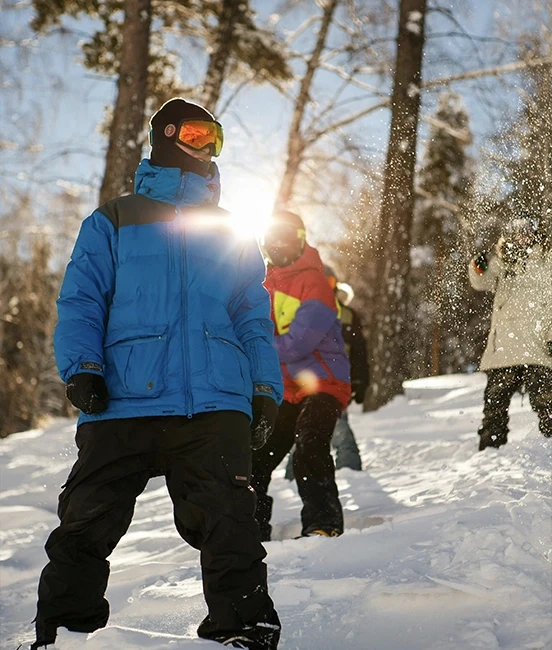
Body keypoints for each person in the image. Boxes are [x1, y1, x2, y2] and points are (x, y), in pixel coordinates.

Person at [30, 98, 284, 650]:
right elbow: (81, 301)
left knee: (230, 524)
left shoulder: (233, 230)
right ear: (166, 136)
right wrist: (83, 367)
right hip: (123, 398)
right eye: (197, 133)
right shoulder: (113, 219)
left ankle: (242, 630)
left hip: (214, 400)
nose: (208, 146)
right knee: (85, 522)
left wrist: (264, 386)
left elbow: (251, 313)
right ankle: (67, 633)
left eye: (215, 137)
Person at [251, 210, 351, 541]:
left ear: (299, 240)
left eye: (285, 238)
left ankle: (323, 523)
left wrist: (256, 349)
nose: (277, 245)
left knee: (310, 443)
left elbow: (299, 342)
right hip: (286, 389)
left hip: (323, 382)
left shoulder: (316, 282)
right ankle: (250, 527)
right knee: (256, 453)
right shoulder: (261, 284)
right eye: (271, 238)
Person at [469, 215, 552, 451]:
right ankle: (489, 454)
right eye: (517, 231)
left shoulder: (547, 260)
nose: (523, 235)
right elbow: (481, 281)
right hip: (505, 346)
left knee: (547, 403)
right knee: (494, 405)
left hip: (539, 344)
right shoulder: (502, 262)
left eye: (528, 230)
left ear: (536, 233)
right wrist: (478, 265)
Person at [285, 266, 368, 477]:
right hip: (304, 380)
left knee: (337, 428)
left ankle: (351, 470)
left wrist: (360, 380)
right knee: (304, 428)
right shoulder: (301, 312)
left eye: (329, 283)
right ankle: (293, 474)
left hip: (337, 381)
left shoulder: (347, 315)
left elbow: (359, 351)